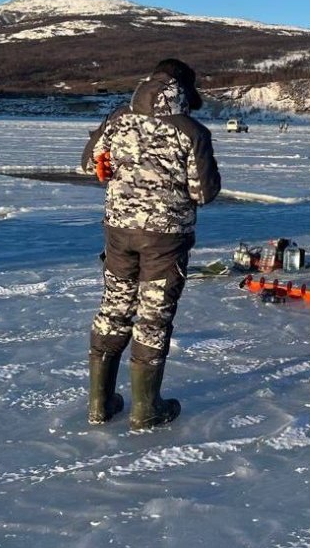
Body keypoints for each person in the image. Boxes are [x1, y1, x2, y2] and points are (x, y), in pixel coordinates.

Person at [85, 58, 221, 428]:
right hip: (165, 238)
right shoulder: (190, 130)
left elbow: (89, 164)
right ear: (184, 89)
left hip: (118, 231)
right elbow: (203, 192)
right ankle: (146, 409)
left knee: (114, 308)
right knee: (153, 318)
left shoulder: (117, 118)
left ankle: (99, 404)